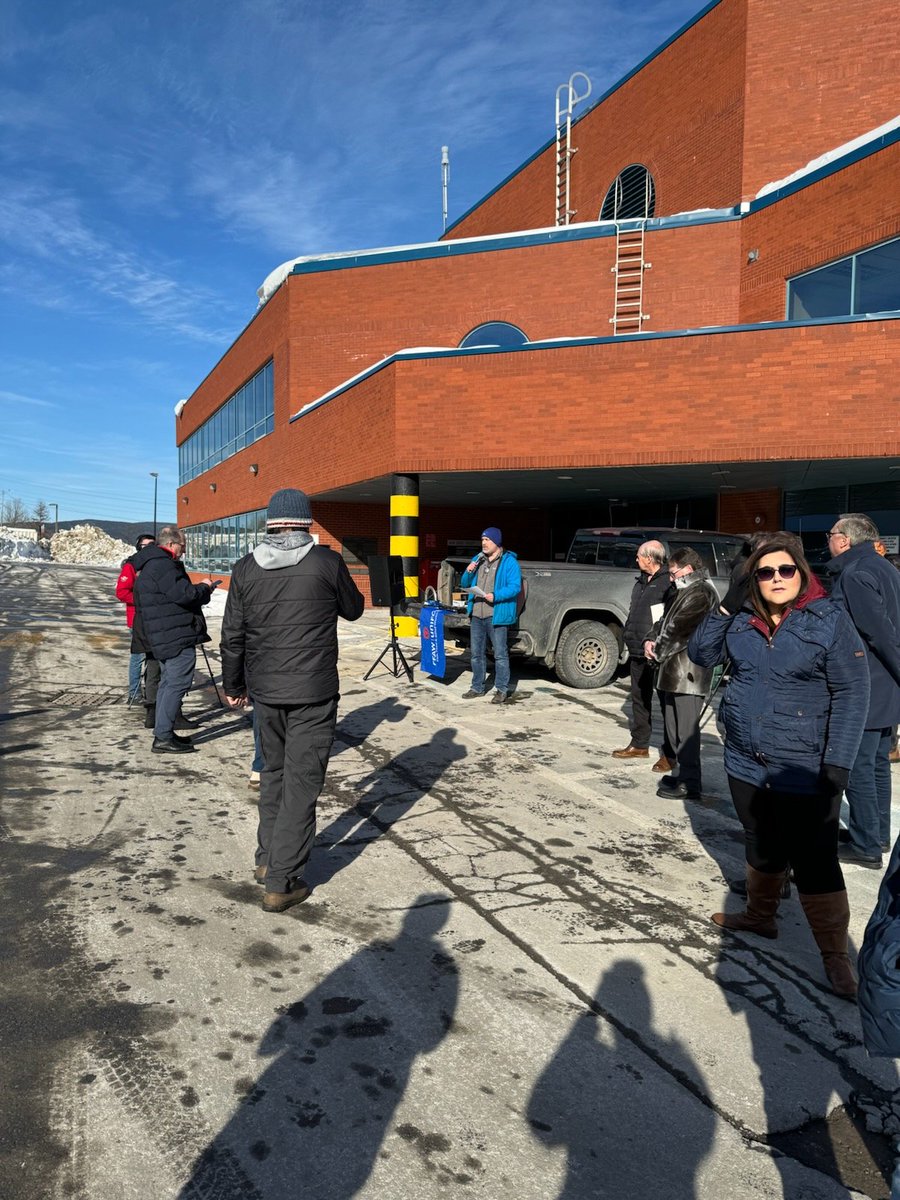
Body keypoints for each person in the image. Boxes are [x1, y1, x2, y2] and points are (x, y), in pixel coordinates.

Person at [689, 536, 869, 998]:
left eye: (785, 571)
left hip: (804, 765)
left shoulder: (828, 620)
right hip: (745, 760)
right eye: (764, 572)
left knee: (815, 860)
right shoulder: (743, 620)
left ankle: (835, 955)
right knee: (760, 840)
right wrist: (726, 605)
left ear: (801, 573)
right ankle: (761, 915)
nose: (775, 579)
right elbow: (699, 655)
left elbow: (853, 694)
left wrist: (838, 765)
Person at [220, 487, 364, 913]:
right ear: (305, 522)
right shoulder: (326, 562)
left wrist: (233, 686)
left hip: (265, 692)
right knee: (302, 783)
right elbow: (354, 609)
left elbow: (233, 635)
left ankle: (267, 860)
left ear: (271, 522)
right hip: (313, 693)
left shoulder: (245, 568)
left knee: (273, 775)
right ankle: (282, 881)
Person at [827, 514, 900, 869]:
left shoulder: (856, 574)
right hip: (885, 683)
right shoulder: (885, 568)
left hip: (870, 684)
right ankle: (877, 833)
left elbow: (880, 633)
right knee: (875, 765)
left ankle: (866, 842)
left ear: (844, 540)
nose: (828, 540)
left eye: (831, 534)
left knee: (858, 766)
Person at [133, 527, 217, 754]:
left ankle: (164, 732)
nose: (184, 552)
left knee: (168, 684)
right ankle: (163, 737)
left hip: (164, 633)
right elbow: (185, 595)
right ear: (171, 545)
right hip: (174, 635)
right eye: (183, 547)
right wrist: (204, 588)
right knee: (176, 684)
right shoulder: (163, 565)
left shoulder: (152, 565)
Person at [644, 547, 718, 801]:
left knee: (686, 731)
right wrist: (650, 639)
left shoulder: (702, 592)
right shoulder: (681, 590)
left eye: (674, 572)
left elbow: (679, 630)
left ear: (688, 569)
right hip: (672, 671)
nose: (671, 578)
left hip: (689, 673)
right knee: (674, 728)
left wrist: (658, 650)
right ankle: (683, 774)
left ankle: (691, 781)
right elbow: (663, 621)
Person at [612, 540, 674, 771]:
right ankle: (639, 744)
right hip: (637, 649)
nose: (636, 559)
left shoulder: (668, 582)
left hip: (659, 653)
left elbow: (669, 618)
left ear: (650, 558)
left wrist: (658, 643)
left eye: (639, 555)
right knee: (639, 699)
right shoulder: (640, 582)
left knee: (668, 704)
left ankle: (670, 753)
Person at [460, 526, 522, 705]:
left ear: (496, 542)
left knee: (500, 654)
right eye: (482, 540)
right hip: (477, 614)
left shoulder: (509, 562)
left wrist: (496, 596)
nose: (484, 543)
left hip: (496, 614)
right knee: (476, 654)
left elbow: (514, 587)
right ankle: (477, 687)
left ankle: (501, 689)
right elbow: (464, 583)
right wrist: (469, 570)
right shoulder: (478, 560)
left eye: (487, 540)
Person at [116, 533, 156, 705]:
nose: (148, 549)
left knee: (153, 658)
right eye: (145, 546)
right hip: (137, 619)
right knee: (138, 657)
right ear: (139, 547)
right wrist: (141, 599)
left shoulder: (156, 565)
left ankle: (152, 690)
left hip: (155, 618)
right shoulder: (132, 566)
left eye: (152, 545)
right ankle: (134, 693)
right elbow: (121, 592)